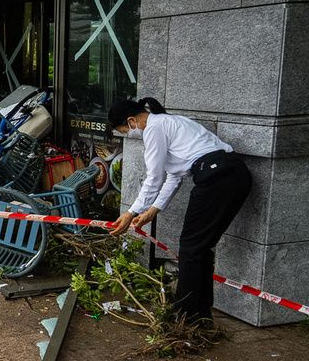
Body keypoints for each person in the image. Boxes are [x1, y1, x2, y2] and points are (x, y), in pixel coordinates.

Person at [108, 97, 252, 325]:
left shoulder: (154, 128)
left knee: (191, 248)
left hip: (216, 178)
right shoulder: (171, 122)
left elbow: (154, 178)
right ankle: (200, 315)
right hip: (236, 175)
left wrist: (131, 212)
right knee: (200, 247)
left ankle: (184, 317)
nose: (128, 135)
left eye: (125, 131)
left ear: (132, 120)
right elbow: (174, 176)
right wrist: (153, 210)